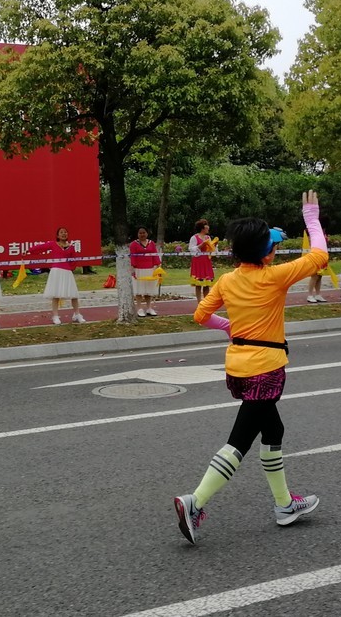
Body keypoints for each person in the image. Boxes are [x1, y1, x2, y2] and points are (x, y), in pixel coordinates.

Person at [173, 191, 328, 546]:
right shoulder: (274, 277)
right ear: (267, 252)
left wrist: (229, 327)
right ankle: (195, 501)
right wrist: (311, 216)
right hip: (267, 367)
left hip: (238, 368)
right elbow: (319, 254)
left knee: (273, 430)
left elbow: (199, 315)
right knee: (240, 440)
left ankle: (285, 504)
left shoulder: (227, 280)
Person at [28, 227, 85, 324]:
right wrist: (30, 250)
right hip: (56, 271)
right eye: (61, 232)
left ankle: (77, 314)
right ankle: (55, 316)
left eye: (65, 232)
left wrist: (70, 268)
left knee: (74, 294)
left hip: (67, 272)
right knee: (56, 294)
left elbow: (74, 260)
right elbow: (41, 247)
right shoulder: (53, 244)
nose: (64, 234)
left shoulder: (71, 247)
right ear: (57, 236)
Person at [129, 226, 162, 317]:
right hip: (138, 270)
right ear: (137, 234)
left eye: (144, 233)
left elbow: (155, 255)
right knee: (139, 290)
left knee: (149, 290)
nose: (142, 234)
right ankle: (139, 308)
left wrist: (158, 266)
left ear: (147, 233)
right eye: (140, 233)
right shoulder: (133, 244)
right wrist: (133, 269)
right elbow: (132, 257)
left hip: (150, 269)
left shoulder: (151, 243)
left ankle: (149, 308)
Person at [188, 219, 215, 303]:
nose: (208, 227)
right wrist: (201, 245)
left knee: (207, 284)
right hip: (198, 261)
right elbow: (191, 249)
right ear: (202, 228)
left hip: (206, 261)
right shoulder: (194, 237)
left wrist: (214, 245)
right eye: (206, 225)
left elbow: (211, 250)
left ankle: (206, 302)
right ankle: (199, 302)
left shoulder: (208, 238)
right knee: (198, 284)